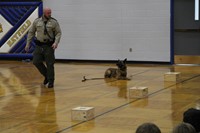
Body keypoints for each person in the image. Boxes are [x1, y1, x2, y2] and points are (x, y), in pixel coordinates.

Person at [25, 7, 62, 88]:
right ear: (44, 13)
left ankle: (51, 81)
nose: (50, 14)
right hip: (39, 45)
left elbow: (58, 33)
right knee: (36, 61)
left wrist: (56, 43)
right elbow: (31, 32)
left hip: (49, 46)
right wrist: (28, 43)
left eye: (50, 12)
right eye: (48, 13)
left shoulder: (54, 22)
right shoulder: (37, 21)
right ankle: (46, 76)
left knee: (50, 64)